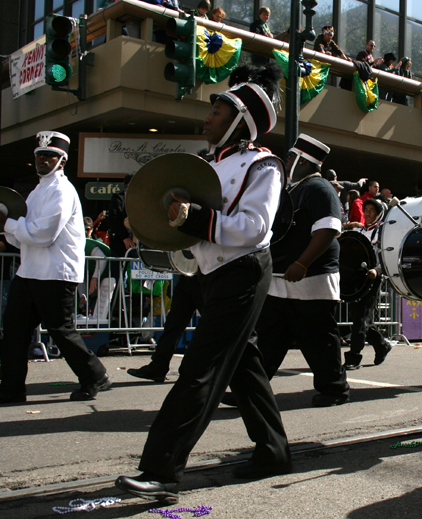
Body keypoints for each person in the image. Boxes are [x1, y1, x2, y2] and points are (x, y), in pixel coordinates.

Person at [114, 64, 292, 504]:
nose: (208, 117)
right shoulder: (208, 164)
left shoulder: (263, 164)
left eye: (218, 110)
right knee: (244, 366)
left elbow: (253, 227)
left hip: (245, 271)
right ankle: (273, 451)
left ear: (240, 120)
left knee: (200, 370)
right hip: (212, 274)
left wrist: (191, 217)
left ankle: (161, 471)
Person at [0, 131, 112, 405]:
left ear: (61, 161)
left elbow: (43, 235)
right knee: (15, 329)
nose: (43, 160)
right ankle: (12, 387)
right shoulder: (38, 190)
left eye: (50, 156)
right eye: (39, 155)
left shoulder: (62, 191)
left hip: (55, 272)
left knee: (61, 330)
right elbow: (21, 234)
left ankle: (94, 374)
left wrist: (7, 225)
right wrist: (7, 228)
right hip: (30, 271)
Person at [256, 133, 350, 406]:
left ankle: (334, 389)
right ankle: (253, 389)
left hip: (311, 278)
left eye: (290, 157)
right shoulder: (293, 189)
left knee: (320, 340)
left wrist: (302, 263)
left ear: (304, 161)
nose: (285, 161)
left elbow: (329, 229)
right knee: (269, 338)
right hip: (281, 278)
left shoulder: (319, 187)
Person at [344, 198, 391, 370]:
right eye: (366, 209)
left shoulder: (382, 232)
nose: (368, 213)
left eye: (372, 210)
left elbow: (385, 259)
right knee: (360, 319)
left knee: (361, 318)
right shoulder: (357, 230)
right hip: (355, 278)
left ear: (379, 213)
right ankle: (381, 345)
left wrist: (376, 271)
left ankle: (353, 357)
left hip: (371, 278)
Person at [126, 275, 201, 381]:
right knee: (173, 323)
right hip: (193, 274)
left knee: (214, 323)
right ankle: (158, 366)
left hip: (208, 273)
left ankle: (160, 366)